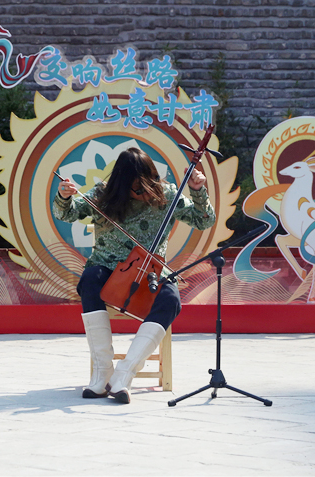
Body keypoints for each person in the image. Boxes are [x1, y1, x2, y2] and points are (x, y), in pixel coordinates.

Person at [52, 147, 215, 403]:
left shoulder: (167, 194)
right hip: (107, 267)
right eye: (135, 189)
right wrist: (64, 196)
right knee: (89, 280)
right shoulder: (103, 195)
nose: (141, 194)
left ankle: (124, 374)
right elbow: (66, 213)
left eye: (145, 187)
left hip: (149, 271)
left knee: (171, 299)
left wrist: (198, 191)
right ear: (120, 185)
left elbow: (204, 220)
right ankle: (102, 371)